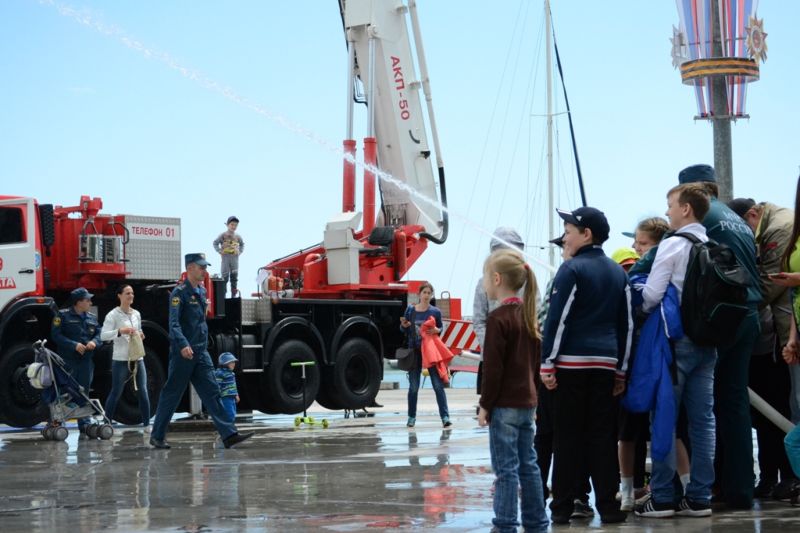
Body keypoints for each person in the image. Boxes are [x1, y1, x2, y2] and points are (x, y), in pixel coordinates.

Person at [540, 206, 632, 525]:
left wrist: (547, 363)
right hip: (606, 365)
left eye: (568, 231)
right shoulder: (618, 272)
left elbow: (557, 319)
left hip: (571, 366)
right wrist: (621, 370)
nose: (565, 236)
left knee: (567, 437)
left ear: (586, 234)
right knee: (603, 436)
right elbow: (627, 325)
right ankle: (608, 505)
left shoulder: (572, 270)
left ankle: (563, 508)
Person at [678, 164, 762, 509]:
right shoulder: (734, 217)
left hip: (721, 319)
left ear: (693, 192)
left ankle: (699, 488)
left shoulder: (703, 216)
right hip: (749, 316)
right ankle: (740, 490)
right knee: (735, 407)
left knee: (700, 408)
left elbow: (667, 253)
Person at [635, 182, 716, 518]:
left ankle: (664, 497)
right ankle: (700, 498)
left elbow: (651, 295)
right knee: (703, 421)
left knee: (664, 419)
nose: (667, 211)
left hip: (675, 343)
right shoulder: (713, 243)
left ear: (686, 208)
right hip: (708, 343)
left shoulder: (672, 246)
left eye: (670, 205)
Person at [728, 197, 798, 498]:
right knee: (776, 410)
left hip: (778, 337)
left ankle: (787, 477)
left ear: (753, 215)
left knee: (785, 408)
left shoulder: (779, 229)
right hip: (777, 335)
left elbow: (770, 285)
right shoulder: (770, 225)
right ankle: (775, 476)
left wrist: (737, 308)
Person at [150, 253, 254, 449]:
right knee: (172, 393)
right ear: (189, 268)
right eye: (200, 267)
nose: (204, 270)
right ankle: (157, 436)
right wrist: (182, 344)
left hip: (200, 351)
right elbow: (173, 324)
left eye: (205, 267)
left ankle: (229, 434)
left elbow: (200, 321)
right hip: (184, 353)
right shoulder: (178, 294)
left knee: (213, 392)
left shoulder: (203, 291)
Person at [478, 249, 549, 533]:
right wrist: (536, 400)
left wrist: (485, 404)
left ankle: (505, 524)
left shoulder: (498, 319)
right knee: (529, 465)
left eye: (485, 279)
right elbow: (535, 365)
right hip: (527, 403)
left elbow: (494, 370)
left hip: (504, 405)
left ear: (496, 279)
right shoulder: (529, 316)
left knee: (505, 469)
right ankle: (536, 523)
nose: (484, 285)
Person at [473, 227, 525, 394]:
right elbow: (479, 320)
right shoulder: (483, 282)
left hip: (521, 357)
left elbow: (535, 317)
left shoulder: (527, 280)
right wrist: (490, 347)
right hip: (491, 357)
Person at [51, 287, 102, 435]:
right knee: (65, 391)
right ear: (78, 302)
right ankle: (57, 422)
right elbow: (56, 335)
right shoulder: (62, 316)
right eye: (87, 300)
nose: (90, 302)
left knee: (84, 391)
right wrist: (74, 345)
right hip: (68, 361)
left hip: (86, 362)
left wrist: (94, 342)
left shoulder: (91, 317)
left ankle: (85, 423)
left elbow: (99, 334)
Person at [100, 284, 151, 429]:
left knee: (143, 390)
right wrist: (120, 331)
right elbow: (103, 336)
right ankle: (107, 423)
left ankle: (147, 424)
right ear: (119, 295)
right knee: (116, 391)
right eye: (127, 293)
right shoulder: (113, 315)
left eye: (132, 293)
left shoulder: (136, 314)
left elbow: (139, 330)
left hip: (137, 357)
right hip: (121, 359)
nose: (131, 296)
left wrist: (141, 334)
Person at [400, 282, 451, 428]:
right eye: (425, 292)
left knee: (437, 386)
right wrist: (403, 326)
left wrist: (437, 330)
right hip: (415, 352)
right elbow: (403, 330)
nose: (427, 295)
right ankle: (411, 417)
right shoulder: (410, 310)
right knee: (414, 387)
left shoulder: (435, 312)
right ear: (419, 294)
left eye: (429, 293)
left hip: (430, 352)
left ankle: (445, 417)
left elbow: (440, 328)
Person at [213, 216, 245, 297]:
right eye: (232, 225)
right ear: (227, 225)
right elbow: (215, 243)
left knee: (234, 278)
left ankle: (233, 296)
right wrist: (219, 251)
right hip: (225, 259)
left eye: (235, 225)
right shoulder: (223, 235)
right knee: (225, 278)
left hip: (235, 259)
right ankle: (223, 296)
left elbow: (242, 244)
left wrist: (240, 252)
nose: (234, 227)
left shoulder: (238, 236)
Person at [215, 352, 240, 422]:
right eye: (231, 362)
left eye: (234, 362)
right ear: (224, 363)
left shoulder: (231, 374)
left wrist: (236, 395)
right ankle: (229, 429)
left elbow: (233, 385)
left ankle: (230, 428)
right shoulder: (220, 373)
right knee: (229, 414)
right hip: (225, 397)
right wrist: (217, 396)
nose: (233, 364)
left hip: (232, 397)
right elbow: (217, 385)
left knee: (233, 413)